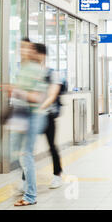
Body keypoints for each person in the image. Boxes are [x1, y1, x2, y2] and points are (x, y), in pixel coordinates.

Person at [3, 38, 47, 206]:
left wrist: (16, 90)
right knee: (16, 151)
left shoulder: (36, 70)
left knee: (25, 155)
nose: (23, 50)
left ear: (33, 51)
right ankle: (28, 185)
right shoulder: (23, 69)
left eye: (27, 48)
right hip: (21, 116)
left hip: (32, 117)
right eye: (21, 47)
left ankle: (30, 195)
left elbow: (36, 97)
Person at [34, 43, 65, 188]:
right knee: (28, 149)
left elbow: (52, 95)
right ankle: (24, 180)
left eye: (36, 53)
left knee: (51, 146)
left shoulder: (52, 73)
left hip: (47, 115)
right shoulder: (30, 73)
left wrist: (40, 108)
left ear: (42, 55)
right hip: (33, 116)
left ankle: (57, 174)